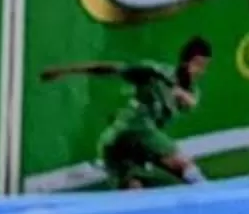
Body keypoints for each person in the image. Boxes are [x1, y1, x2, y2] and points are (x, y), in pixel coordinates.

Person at [37, 37, 213, 188]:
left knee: (133, 192)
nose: (200, 71)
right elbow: (109, 69)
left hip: (124, 146)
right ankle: (213, 200)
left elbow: (190, 102)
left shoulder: (191, 91)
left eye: (204, 66)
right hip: (135, 128)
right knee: (184, 166)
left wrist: (180, 93)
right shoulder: (153, 72)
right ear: (185, 61)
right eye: (197, 64)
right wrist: (64, 71)